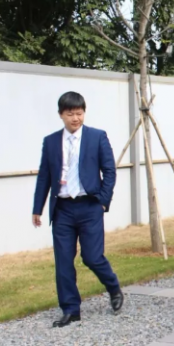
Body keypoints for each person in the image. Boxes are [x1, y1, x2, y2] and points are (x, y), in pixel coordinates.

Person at [32, 92, 123, 328]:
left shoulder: (97, 137)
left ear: (84, 113)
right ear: (61, 115)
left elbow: (109, 171)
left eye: (79, 113)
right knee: (63, 261)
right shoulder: (51, 141)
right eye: (70, 114)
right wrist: (37, 208)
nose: (75, 118)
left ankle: (113, 287)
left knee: (92, 257)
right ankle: (71, 309)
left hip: (90, 206)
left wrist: (103, 200)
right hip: (62, 209)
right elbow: (44, 176)